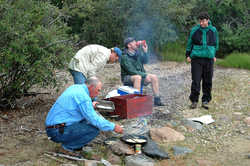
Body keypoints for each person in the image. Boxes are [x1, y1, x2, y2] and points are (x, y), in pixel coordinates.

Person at [45, 77, 123, 156]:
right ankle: (67, 147)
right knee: (94, 129)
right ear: (91, 87)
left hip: (54, 127)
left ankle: (74, 142)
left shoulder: (76, 87)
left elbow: (76, 108)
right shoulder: (83, 97)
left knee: (87, 122)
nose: (98, 93)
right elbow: (94, 119)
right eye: (98, 90)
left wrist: (90, 106)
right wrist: (113, 127)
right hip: (56, 131)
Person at [185, 12, 219, 109]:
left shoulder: (213, 30)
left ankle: (205, 101)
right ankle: (194, 101)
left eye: (203, 21)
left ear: (208, 20)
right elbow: (190, 43)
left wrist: (214, 54)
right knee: (196, 80)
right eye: (200, 21)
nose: (201, 23)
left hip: (209, 58)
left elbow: (216, 43)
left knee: (208, 81)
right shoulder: (194, 30)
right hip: (196, 58)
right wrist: (188, 54)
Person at [120, 37, 165, 106]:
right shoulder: (124, 57)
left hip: (139, 75)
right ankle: (136, 103)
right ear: (129, 45)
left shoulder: (137, 53)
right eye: (133, 42)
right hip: (127, 78)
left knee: (154, 77)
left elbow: (145, 61)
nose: (136, 43)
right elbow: (131, 71)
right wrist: (144, 75)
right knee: (138, 77)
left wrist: (145, 51)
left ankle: (157, 100)